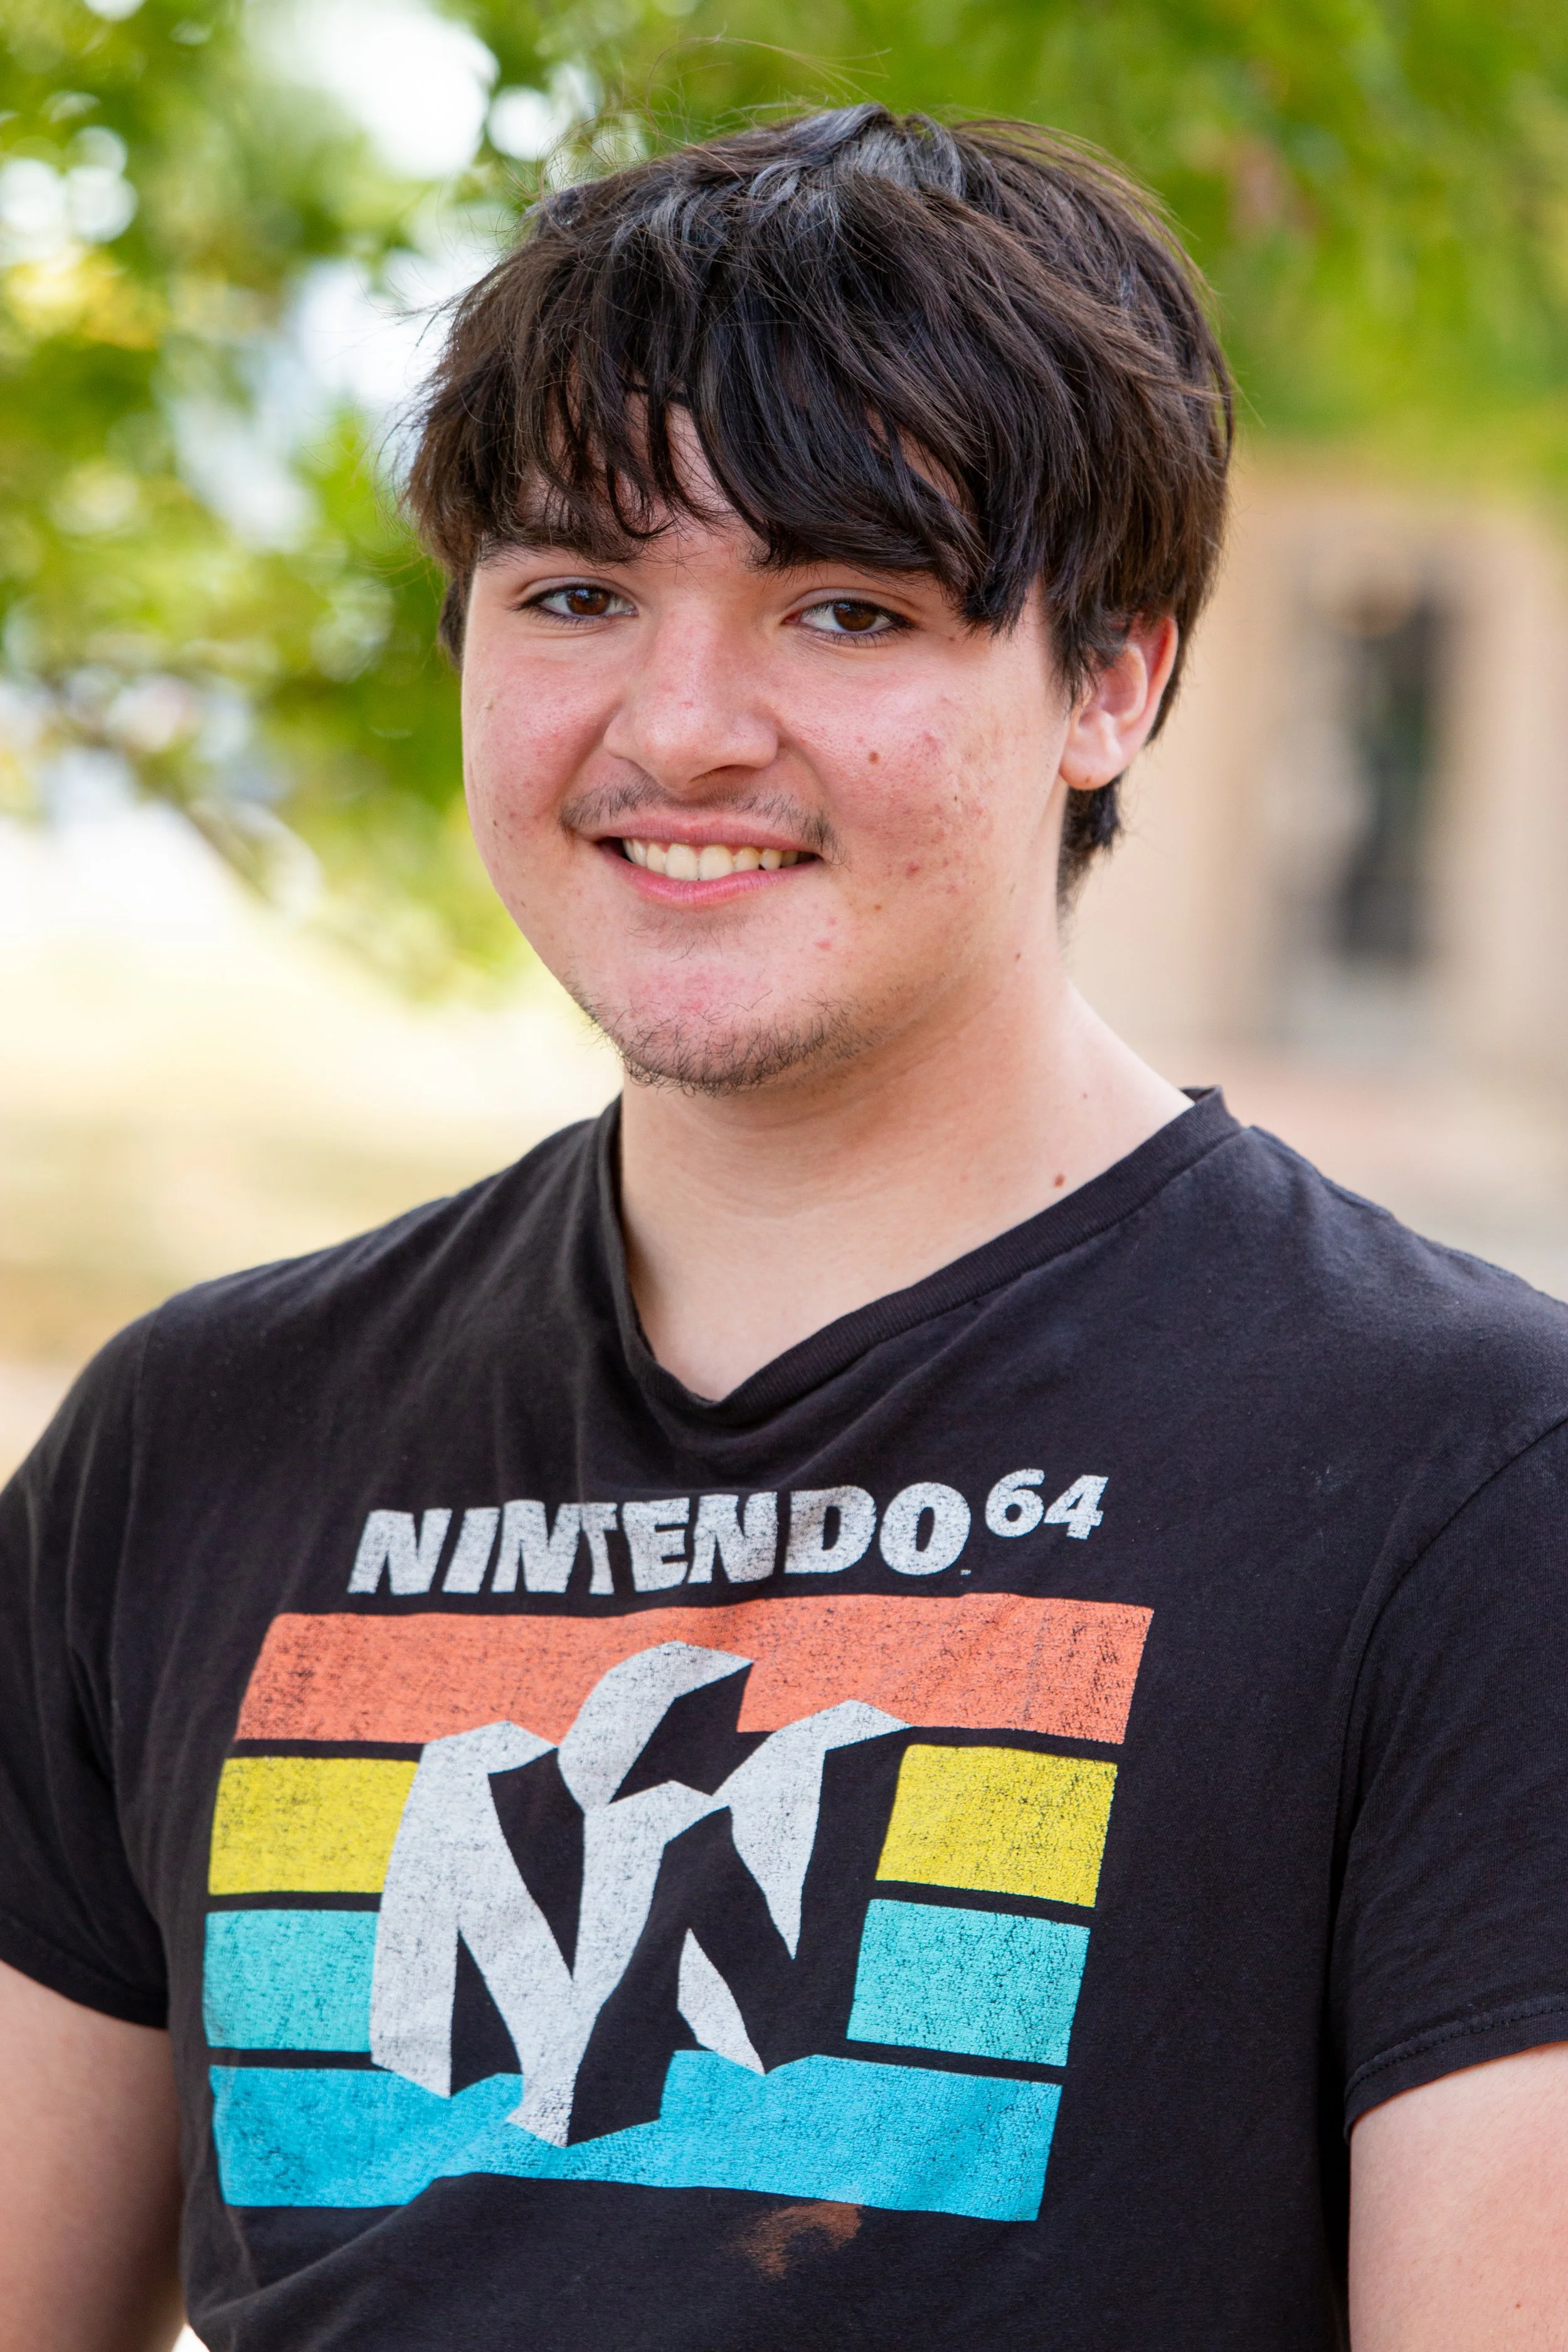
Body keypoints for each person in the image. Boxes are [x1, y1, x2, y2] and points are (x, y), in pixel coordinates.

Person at [3, 103, 1567, 2352]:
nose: (681, 725)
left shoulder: (1464, 1483)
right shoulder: (196, 1440)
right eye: (574, 595)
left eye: (845, 606)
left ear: (1110, 680)